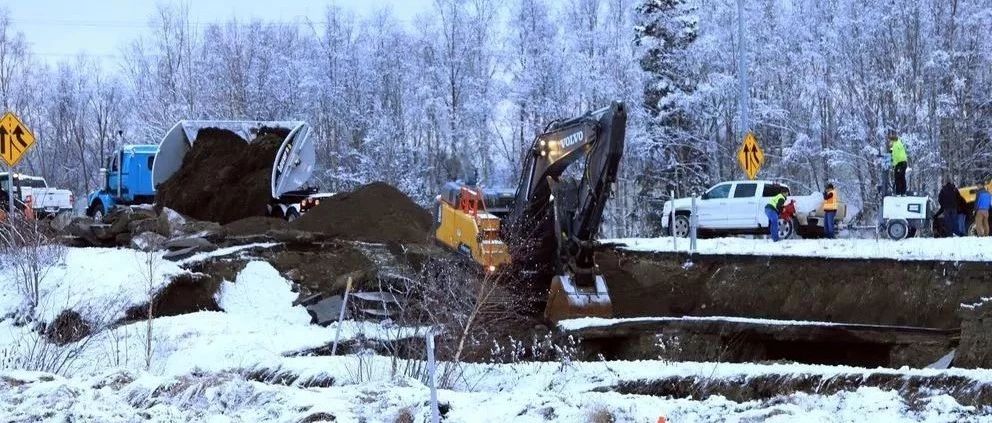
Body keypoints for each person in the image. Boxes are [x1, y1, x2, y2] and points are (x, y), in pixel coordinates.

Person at [888, 130, 908, 195]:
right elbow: (895, 151)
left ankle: (898, 192)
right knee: (902, 177)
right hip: (904, 163)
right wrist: (891, 150)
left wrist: (894, 165)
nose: (889, 143)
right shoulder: (899, 143)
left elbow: (895, 155)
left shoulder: (895, 145)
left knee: (897, 178)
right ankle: (903, 192)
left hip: (899, 163)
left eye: (890, 141)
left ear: (892, 141)